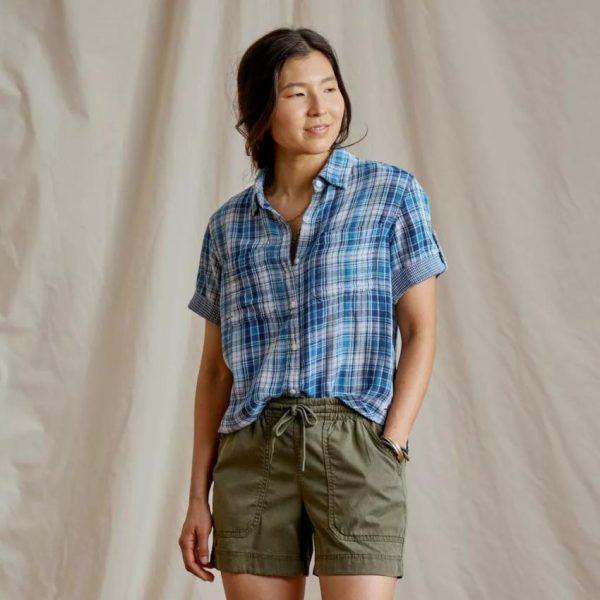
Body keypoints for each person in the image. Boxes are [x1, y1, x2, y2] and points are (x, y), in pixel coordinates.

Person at [178, 26, 448, 600]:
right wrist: (197, 497)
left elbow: (421, 331)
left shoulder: (391, 194)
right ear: (260, 109)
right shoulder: (228, 226)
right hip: (254, 448)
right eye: (297, 93)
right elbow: (215, 371)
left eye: (329, 88)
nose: (321, 108)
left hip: (355, 444)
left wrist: (391, 442)